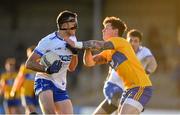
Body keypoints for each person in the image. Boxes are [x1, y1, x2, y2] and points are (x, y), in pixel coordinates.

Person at [65, 16, 153, 114]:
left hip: (140, 87)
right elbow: (89, 62)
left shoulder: (120, 41)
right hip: (128, 90)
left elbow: (99, 45)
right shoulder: (108, 52)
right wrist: (87, 49)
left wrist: (76, 44)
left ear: (115, 31)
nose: (103, 30)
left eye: (106, 28)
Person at [25, 10, 78, 114]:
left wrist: (75, 54)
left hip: (60, 85)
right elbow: (29, 63)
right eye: (73, 21)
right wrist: (46, 69)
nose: (76, 25)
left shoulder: (73, 39)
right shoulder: (48, 41)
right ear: (64, 25)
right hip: (44, 80)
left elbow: (72, 68)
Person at [93, 29, 158, 114]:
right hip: (114, 87)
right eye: (130, 40)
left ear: (140, 43)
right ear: (126, 41)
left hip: (129, 91)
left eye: (136, 41)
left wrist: (146, 72)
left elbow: (153, 63)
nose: (133, 43)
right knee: (122, 106)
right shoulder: (122, 48)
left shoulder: (143, 51)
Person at [10, 46, 40, 114]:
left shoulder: (40, 65)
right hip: (26, 93)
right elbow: (19, 79)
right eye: (30, 53)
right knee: (30, 110)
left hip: (36, 93)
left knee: (32, 111)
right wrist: (14, 90)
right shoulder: (25, 66)